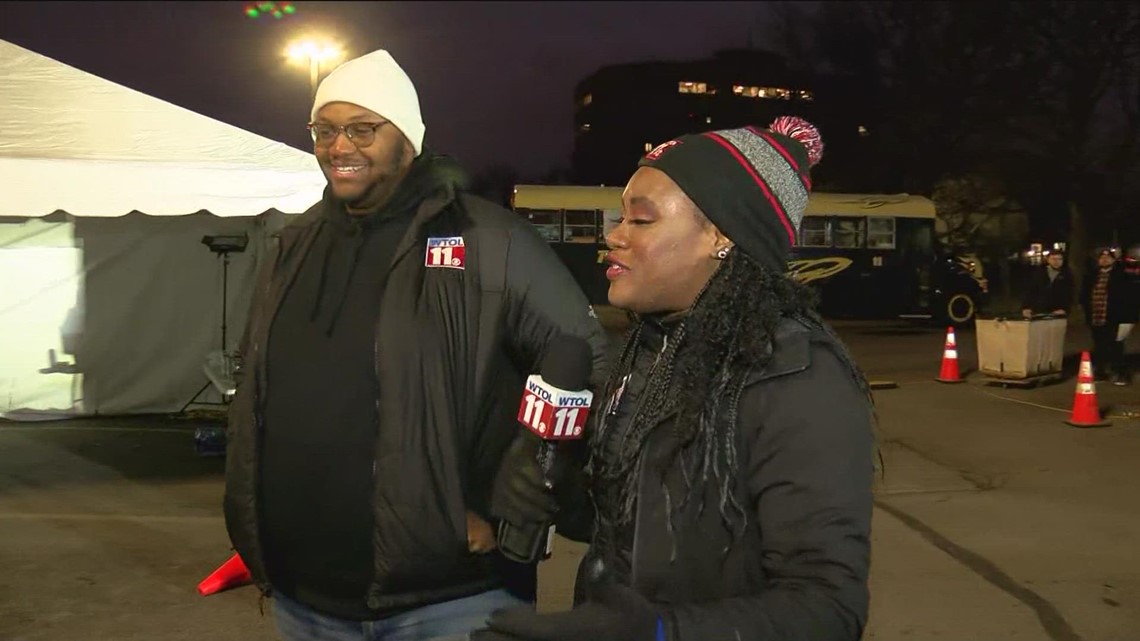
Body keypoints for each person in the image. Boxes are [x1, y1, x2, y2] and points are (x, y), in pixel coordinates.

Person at [223, 49, 609, 641]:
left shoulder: (490, 241)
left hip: (450, 599)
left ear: (408, 137)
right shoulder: (294, 243)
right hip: (305, 597)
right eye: (324, 130)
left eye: (362, 128)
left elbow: (585, 365)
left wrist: (522, 496)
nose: (338, 147)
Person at [481, 118, 876, 641]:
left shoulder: (799, 376)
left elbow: (828, 608)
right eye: (619, 218)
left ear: (718, 235)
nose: (612, 237)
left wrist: (662, 631)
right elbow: (631, 526)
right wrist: (552, 491)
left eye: (640, 221)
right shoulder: (650, 349)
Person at [1080, 247, 1138, 385]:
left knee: (1116, 346)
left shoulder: (1122, 276)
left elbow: (1131, 297)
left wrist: (1129, 318)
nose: (1104, 260)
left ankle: (1121, 374)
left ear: (1113, 260)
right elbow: (1084, 295)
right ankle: (1101, 372)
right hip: (1096, 316)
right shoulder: (1091, 276)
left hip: (1115, 317)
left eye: (1108, 257)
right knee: (1099, 345)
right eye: (1102, 257)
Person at [1021, 250, 1074, 318]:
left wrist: (1065, 309)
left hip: (1058, 311)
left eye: (1059, 259)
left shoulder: (1067, 275)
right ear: (1048, 260)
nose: (1056, 261)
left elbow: (1069, 293)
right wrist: (1026, 307)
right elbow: (1030, 291)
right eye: (1053, 259)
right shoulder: (1038, 273)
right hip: (1038, 309)